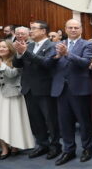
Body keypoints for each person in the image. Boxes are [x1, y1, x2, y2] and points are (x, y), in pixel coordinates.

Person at [0, 39, 35, 159]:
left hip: (11, 95)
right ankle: (4, 148)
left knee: (11, 121)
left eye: (4, 47)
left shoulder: (16, 61)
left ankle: (15, 145)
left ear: (10, 49)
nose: (0, 49)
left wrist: (0, 63)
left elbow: (12, 74)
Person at [13, 20, 60, 160]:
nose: (30, 31)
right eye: (30, 28)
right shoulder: (29, 45)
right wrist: (19, 53)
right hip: (28, 88)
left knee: (50, 120)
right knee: (35, 120)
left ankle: (55, 146)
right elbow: (17, 64)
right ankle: (42, 144)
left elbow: (46, 63)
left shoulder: (53, 45)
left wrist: (25, 52)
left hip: (44, 88)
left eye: (33, 28)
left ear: (43, 31)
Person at [50, 19, 92, 165]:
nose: (73, 30)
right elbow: (50, 63)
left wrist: (67, 54)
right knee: (65, 122)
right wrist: (55, 57)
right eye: (70, 27)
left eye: (76, 27)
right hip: (61, 89)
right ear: (65, 29)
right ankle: (68, 150)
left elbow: (85, 62)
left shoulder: (87, 44)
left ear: (81, 29)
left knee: (83, 121)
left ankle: (87, 148)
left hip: (79, 88)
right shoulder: (57, 44)